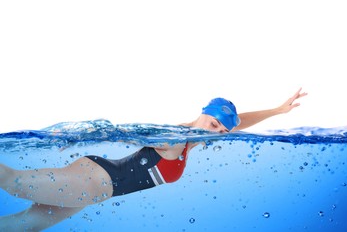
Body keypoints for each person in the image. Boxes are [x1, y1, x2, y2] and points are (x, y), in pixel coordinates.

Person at [0, 88, 307, 231]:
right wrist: (72, 136)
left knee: (18, 227)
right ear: (203, 113)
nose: (216, 134)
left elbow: (238, 121)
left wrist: (278, 110)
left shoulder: (194, 138)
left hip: (92, 188)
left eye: (222, 131)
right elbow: (124, 132)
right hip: (92, 181)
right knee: (12, 182)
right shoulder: (173, 138)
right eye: (214, 125)